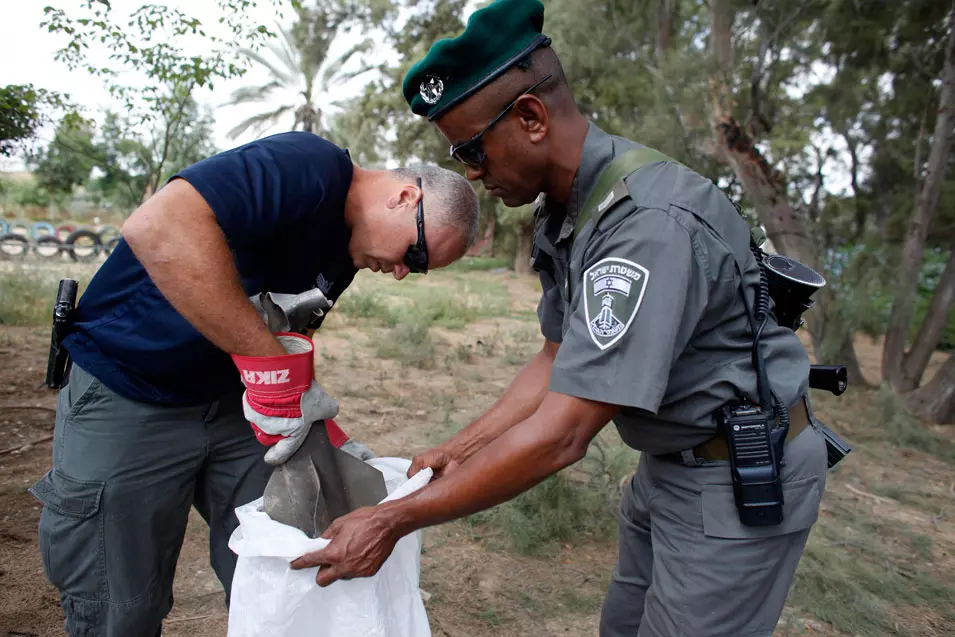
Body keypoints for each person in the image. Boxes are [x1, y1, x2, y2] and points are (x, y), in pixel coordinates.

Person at [289, 2, 830, 636]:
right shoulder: (570, 212)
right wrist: (459, 449)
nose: (470, 172)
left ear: (531, 117)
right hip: (669, 465)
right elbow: (557, 356)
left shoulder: (646, 227)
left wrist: (391, 520)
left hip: (734, 477)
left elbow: (563, 434)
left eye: (473, 150)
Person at [29, 130, 480, 636]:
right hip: (130, 393)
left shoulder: (347, 249)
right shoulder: (309, 167)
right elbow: (158, 224)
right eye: (414, 256)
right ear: (405, 197)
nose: (400, 272)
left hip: (231, 407)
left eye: (415, 271)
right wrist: (274, 373)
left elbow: (279, 328)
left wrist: (323, 430)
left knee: (284, 570)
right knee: (120, 606)